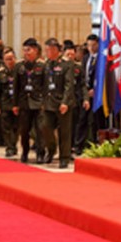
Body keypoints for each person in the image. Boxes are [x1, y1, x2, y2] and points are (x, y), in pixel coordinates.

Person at [40, 38, 75, 168]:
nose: (46, 52)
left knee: (64, 131)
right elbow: (44, 84)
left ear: (55, 49)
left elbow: (69, 85)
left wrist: (65, 102)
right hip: (49, 102)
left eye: (48, 50)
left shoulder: (67, 64)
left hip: (62, 103)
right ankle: (51, 149)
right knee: (45, 127)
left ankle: (64, 157)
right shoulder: (47, 63)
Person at [13, 38, 46, 164]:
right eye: (24, 50)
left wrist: (44, 102)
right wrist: (15, 104)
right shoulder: (19, 66)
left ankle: (40, 153)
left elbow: (45, 86)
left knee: (40, 130)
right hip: (24, 103)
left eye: (29, 50)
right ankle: (25, 152)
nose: (26, 53)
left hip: (38, 103)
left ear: (36, 51)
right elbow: (16, 87)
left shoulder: (42, 66)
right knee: (24, 130)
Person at [75, 34, 106, 154]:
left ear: (98, 44)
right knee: (82, 119)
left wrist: (96, 89)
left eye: (93, 45)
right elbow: (83, 77)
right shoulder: (86, 58)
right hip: (85, 94)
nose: (91, 48)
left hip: (97, 94)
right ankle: (79, 146)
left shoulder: (102, 59)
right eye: (89, 45)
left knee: (97, 120)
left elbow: (103, 76)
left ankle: (98, 143)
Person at [0, 48, 19, 157]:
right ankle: (9, 147)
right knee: (6, 127)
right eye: (7, 59)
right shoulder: (0, 73)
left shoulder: (20, 71)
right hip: (5, 103)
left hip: (16, 103)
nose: (9, 61)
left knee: (16, 127)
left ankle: (14, 145)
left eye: (11, 59)